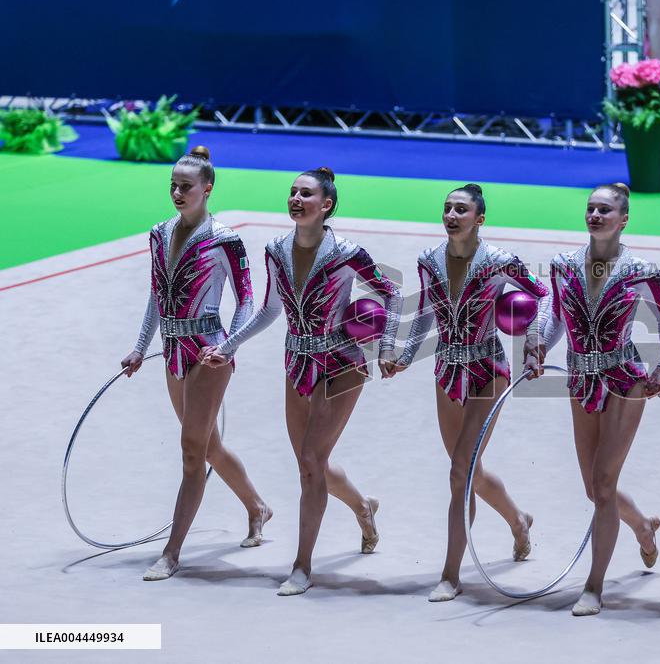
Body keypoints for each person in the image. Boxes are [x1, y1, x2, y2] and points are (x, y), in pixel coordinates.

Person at [202, 167, 400, 595]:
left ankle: (302, 565)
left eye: (305, 194)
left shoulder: (346, 251)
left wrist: (386, 346)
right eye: (292, 192)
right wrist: (231, 345)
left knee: (311, 462)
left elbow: (390, 292)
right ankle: (363, 506)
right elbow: (272, 309)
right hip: (297, 361)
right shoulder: (276, 248)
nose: (295, 199)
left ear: (325, 205)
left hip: (341, 362)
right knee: (312, 465)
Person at [380, 184, 548, 602]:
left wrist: (531, 348)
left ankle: (451, 574)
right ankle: (518, 519)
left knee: (460, 471)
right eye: (447, 208)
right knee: (468, 471)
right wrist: (402, 354)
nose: (451, 215)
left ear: (480, 219)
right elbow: (422, 314)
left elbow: (538, 298)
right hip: (446, 369)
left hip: (487, 369)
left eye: (461, 209)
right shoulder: (429, 260)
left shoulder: (499, 261)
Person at [121, 146, 272, 582]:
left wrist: (231, 345)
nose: (176, 192)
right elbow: (156, 295)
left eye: (185, 186)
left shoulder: (224, 239)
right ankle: (258, 507)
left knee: (191, 452)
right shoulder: (158, 233)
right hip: (172, 347)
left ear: (207, 189)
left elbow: (247, 299)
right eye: (172, 184)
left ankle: (172, 552)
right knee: (208, 447)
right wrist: (138, 347)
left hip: (208, 350)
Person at [534, 183, 660, 616]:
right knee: (594, 488)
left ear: (623, 219)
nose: (595, 215)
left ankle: (594, 586)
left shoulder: (641, 269)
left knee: (605, 483)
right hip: (579, 378)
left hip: (624, 379)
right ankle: (643, 526)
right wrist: (536, 345)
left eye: (605, 210)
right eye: (591, 209)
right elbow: (554, 315)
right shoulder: (563, 263)